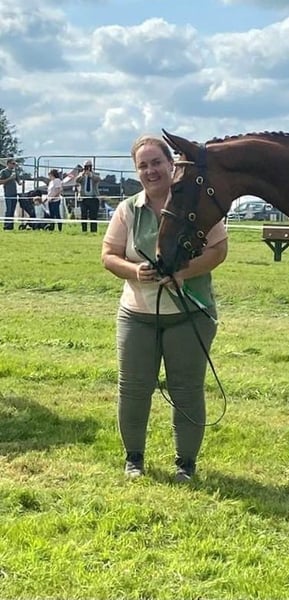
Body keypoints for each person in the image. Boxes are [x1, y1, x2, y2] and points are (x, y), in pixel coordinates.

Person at [101, 134, 228, 483]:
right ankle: (134, 459)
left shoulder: (196, 203)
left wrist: (184, 273)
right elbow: (108, 255)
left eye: (157, 162)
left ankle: (185, 463)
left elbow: (218, 250)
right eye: (143, 165)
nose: (150, 170)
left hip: (190, 314)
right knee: (133, 388)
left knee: (186, 389)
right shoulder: (128, 210)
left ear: (172, 164)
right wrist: (134, 271)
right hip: (137, 316)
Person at [76, 159, 101, 232]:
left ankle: (93, 231)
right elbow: (77, 180)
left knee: (93, 216)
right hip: (84, 198)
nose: (87, 168)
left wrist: (91, 175)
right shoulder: (81, 174)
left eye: (89, 166)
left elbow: (98, 179)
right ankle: (84, 231)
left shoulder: (95, 174)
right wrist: (82, 174)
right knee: (83, 215)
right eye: (86, 166)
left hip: (93, 198)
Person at [0, 158, 21, 230]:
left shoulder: (15, 172)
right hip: (8, 193)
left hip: (14, 193)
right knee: (8, 210)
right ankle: (6, 225)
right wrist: (10, 178)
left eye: (15, 164)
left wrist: (20, 182)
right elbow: (0, 182)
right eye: (13, 163)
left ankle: (11, 226)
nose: (14, 165)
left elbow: (18, 181)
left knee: (12, 210)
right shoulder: (3, 172)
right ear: (8, 164)